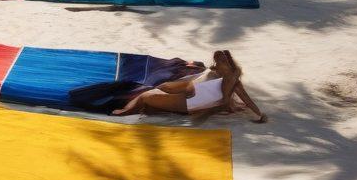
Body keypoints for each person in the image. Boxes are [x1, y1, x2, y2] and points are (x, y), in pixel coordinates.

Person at [111, 51, 266, 121]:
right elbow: (246, 99)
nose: (217, 66)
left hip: (191, 101)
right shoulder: (231, 79)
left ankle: (123, 113)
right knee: (161, 87)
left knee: (145, 97)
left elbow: (229, 99)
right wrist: (258, 113)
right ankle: (130, 109)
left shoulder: (230, 81)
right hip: (191, 93)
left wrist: (257, 114)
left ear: (228, 65)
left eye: (220, 63)